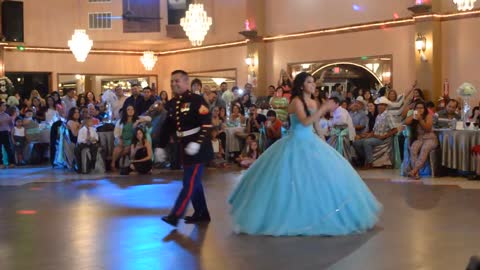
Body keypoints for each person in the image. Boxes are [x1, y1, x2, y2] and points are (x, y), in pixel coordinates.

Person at [228, 72, 381, 236]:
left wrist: (324, 143)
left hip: (311, 141)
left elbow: (316, 126)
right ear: (302, 85)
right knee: (294, 180)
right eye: (309, 82)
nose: (313, 85)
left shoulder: (313, 102)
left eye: (313, 82)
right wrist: (323, 108)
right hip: (295, 142)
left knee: (320, 180)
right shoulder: (295, 102)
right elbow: (305, 121)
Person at [159, 70, 214, 227]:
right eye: (172, 81)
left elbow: (206, 123)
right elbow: (167, 126)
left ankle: (175, 215)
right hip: (184, 147)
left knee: (189, 182)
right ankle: (202, 212)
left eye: (177, 81)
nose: (173, 84)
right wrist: (161, 146)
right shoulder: (172, 103)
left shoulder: (197, 100)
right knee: (193, 182)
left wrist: (198, 142)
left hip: (199, 149)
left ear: (186, 82)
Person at [405, 101, 438, 179]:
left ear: (425, 109)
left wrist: (420, 120)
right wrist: (413, 115)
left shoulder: (428, 116)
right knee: (413, 148)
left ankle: (414, 170)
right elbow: (406, 122)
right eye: (417, 108)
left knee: (424, 149)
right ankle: (416, 173)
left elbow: (428, 129)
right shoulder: (414, 115)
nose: (419, 109)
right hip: (419, 138)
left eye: (421, 108)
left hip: (430, 139)